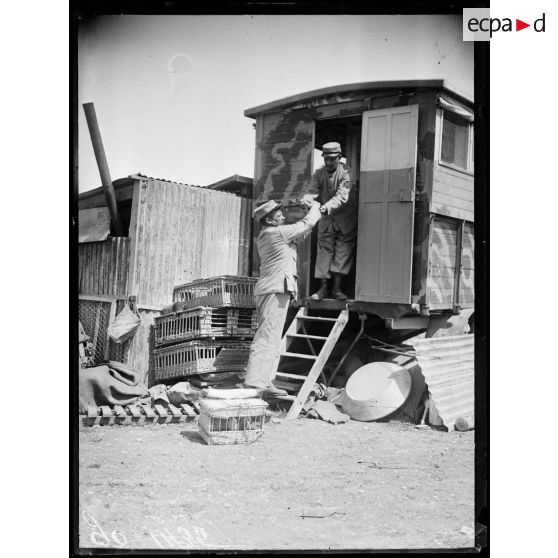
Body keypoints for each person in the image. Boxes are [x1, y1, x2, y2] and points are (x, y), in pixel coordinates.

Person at [242, 198, 322, 396]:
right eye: (278, 214)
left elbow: (301, 233)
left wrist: (305, 211)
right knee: (266, 336)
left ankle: (264, 381)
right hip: (274, 290)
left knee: (272, 336)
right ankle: (254, 382)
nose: (282, 215)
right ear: (269, 220)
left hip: (274, 289)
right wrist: (315, 207)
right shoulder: (275, 233)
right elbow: (307, 224)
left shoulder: (274, 233)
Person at [303, 141, 358, 301]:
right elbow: (312, 190)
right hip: (327, 218)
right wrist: (307, 199)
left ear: (339, 157)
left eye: (332, 159)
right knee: (324, 251)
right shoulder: (319, 172)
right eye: (326, 159)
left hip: (345, 218)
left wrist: (327, 206)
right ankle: (323, 289)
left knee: (342, 251)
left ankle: (337, 289)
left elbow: (342, 196)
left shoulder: (346, 172)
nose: (328, 163)